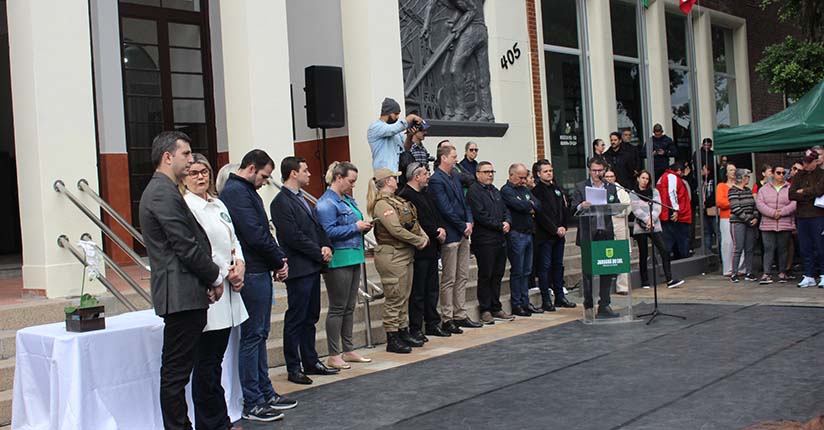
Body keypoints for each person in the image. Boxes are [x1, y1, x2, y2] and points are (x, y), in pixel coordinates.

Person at [139, 131, 231, 429]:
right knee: (176, 373)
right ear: (168, 157)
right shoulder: (161, 192)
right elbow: (184, 245)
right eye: (186, 154)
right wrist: (216, 276)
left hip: (187, 291)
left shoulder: (165, 190)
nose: (190, 160)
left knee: (180, 370)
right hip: (179, 293)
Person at [220, 150, 293, 421]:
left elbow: (261, 231)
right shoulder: (236, 193)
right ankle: (253, 400)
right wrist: (278, 258)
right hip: (252, 271)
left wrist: (275, 260)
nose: (265, 181)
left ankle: (264, 391)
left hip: (259, 268)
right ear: (251, 168)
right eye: (264, 175)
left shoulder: (245, 191)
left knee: (260, 334)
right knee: (253, 336)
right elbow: (254, 233)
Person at [182, 154, 254, 430]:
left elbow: (233, 238)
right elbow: (200, 250)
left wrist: (241, 266)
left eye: (205, 172)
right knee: (207, 364)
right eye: (194, 173)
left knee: (216, 361)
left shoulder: (218, 203)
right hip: (211, 291)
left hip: (231, 286)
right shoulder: (187, 206)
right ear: (184, 177)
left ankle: (220, 419)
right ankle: (212, 423)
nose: (201, 177)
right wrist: (224, 272)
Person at [270, 156, 338, 384]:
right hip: (299, 267)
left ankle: (311, 360)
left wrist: (326, 245)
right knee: (296, 318)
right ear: (293, 173)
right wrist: (318, 251)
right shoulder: (280, 202)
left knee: (311, 316)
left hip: (312, 266)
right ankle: (293, 366)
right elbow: (292, 236)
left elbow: (317, 227)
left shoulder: (303, 200)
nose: (309, 174)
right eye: (305, 170)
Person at [315, 162, 373, 370]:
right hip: (338, 258)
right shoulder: (326, 203)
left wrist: (362, 228)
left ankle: (348, 349)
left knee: (349, 306)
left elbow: (352, 226)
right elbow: (327, 232)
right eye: (350, 181)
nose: (352, 185)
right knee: (338, 307)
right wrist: (354, 227)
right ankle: (333, 353)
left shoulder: (346, 199)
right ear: (338, 178)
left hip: (354, 254)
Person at [368, 168, 429, 353]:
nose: (397, 181)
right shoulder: (382, 204)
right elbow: (395, 229)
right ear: (388, 181)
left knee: (404, 296)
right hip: (392, 256)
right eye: (394, 178)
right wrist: (419, 241)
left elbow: (413, 222)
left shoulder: (397, 201)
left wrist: (423, 236)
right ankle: (392, 337)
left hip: (404, 254)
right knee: (394, 297)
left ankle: (403, 331)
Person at [428, 144, 481, 333]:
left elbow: (464, 202)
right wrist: (461, 225)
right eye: (453, 156)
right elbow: (445, 208)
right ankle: (447, 317)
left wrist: (469, 221)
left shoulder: (455, 177)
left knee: (463, 276)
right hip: (450, 233)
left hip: (463, 231)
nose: (456, 159)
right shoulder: (436, 180)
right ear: (443, 158)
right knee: (449, 278)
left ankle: (460, 313)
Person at [398, 163, 452, 339]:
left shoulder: (426, 193)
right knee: (418, 291)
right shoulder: (406, 195)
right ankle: (416, 327)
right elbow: (414, 222)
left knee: (432, 289)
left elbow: (435, 214)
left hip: (432, 247)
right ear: (416, 176)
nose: (428, 176)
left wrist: (441, 228)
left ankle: (432, 323)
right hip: (419, 249)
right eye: (425, 173)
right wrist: (435, 232)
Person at [570, 157, 619, 318]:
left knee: (607, 269)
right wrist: (581, 206)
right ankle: (588, 303)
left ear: (604, 170)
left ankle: (604, 304)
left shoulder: (611, 187)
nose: (597, 173)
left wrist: (613, 206)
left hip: (605, 232)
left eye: (600, 170)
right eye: (594, 170)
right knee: (588, 271)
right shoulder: (581, 186)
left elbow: (617, 206)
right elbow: (572, 208)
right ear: (589, 170)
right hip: (588, 234)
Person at [466, 161, 514, 324]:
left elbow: (505, 209)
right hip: (485, 239)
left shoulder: (495, 190)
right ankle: (485, 309)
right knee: (486, 274)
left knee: (498, 274)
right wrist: (499, 225)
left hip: (500, 239)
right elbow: (480, 214)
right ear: (478, 174)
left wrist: (507, 221)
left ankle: (496, 306)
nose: (490, 174)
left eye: (492, 171)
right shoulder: (474, 191)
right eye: (486, 172)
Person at [531, 159, 576, 310]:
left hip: (559, 235)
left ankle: (560, 296)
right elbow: (540, 214)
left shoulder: (557, 189)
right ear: (538, 174)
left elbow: (563, 208)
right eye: (545, 171)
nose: (549, 173)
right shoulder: (536, 192)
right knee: (545, 267)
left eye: (550, 170)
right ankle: (546, 299)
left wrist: (563, 225)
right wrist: (554, 229)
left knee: (558, 266)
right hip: (545, 236)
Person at [630, 170, 684, 289]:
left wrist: (651, 219)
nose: (645, 181)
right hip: (641, 226)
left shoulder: (654, 192)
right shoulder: (633, 193)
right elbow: (635, 209)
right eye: (643, 178)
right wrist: (646, 219)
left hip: (654, 225)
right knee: (643, 253)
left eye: (647, 179)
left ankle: (669, 279)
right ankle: (645, 281)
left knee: (664, 250)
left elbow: (657, 206)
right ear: (638, 178)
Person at [501, 163, 542, 316]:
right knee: (518, 270)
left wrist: (530, 205)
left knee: (527, 270)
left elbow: (538, 205)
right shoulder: (506, 190)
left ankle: (525, 301)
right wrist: (528, 206)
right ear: (511, 175)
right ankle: (517, 303)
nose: (524, 181)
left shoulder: (524, 190)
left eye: (525, 177)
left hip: (528, 233)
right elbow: (519, 206)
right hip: (516, 234)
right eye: (520, 177)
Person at [788, 149, 824, 288]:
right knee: (805, 246)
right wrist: (808, 193)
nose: (806, 165)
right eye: (804, 162)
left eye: (809, 162)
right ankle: (808, 275)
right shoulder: (799, 176)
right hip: (802, 215)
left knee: (820, 246)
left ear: (816, 161)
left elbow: (819, 190)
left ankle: (822, 274)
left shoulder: (821, 174)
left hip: (817, 215)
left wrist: (802, 192)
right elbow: (791, 194)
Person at [756, 165, 796, 284]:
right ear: (773, 174)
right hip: (768, 224)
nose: (781, 175)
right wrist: (773, 213)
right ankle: (766, 273)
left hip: (784, 223)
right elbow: (760, 204)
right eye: (778, 173)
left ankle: (782, 272)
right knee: (768, 248)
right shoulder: (764, 189)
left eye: (784, 173)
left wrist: (782, 212)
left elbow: (794, 203)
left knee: (783, 249)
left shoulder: (790, 188)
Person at [367, 97, 422, 171]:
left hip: (397, 171)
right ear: (388, 112)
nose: (397, 117)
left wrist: (410, 136)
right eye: (395, 114)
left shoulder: (395, 130)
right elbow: (392, 130)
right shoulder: (375, 127)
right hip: (383, 172)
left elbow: (405, 148)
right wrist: (411, 117)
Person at [604, 168, 632, 294]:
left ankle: (623, 287)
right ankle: (605, 286)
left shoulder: (621, 190)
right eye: (607, 176)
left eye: (611, 176)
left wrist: (615, 213)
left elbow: (628, 207)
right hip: (605, 226)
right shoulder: (600, 189)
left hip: (620, 224)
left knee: (623, 255)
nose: (609, 178)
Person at [728, 169, 759, 283]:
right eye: (747, 177)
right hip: (738, 222)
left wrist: (755, 217)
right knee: (738, 247)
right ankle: (734, 273)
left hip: (750, 222)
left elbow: (754, 205)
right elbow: (735, 207)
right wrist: (747, 219)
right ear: (741, 178)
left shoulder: (748, 190)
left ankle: (749, 272)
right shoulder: (733, 191)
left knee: (749, 248)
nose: (748, 179)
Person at [656, 162, 692, 260]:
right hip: (673, 212)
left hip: (665, 212)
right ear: (679, 170)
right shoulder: (672, 177)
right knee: (679, 237)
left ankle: (673, 256)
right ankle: (682, 255)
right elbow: (672, 193)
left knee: (670, 237)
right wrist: (675, 210)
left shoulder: (663, 177)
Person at [716, 163, 738, 276]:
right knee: (727, 242)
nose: (733, 172)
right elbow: (720, 202)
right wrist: (735, 203)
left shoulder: (739, 185)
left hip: (739, 217)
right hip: (726, 217)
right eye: (730, 170)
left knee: (738, 242)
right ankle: (728, 268)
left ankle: (740, 268)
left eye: (734, 170)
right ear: (726, 173)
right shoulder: (721, 186)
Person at [398, 120, 431, 189]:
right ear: (414, 131)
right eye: (422, 130)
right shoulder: (408, 149)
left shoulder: (423, 149)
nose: (425, 133)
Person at [701, 163, 718, 252]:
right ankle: (708, 252)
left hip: (712, 209)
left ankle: (720, 253)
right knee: (707, 232)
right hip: (704, 211)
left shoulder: (713, 182)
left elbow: (714, 196)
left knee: (716, 231)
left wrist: (705, 203)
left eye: (703, 169)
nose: (702, 171)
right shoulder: (703, 182)